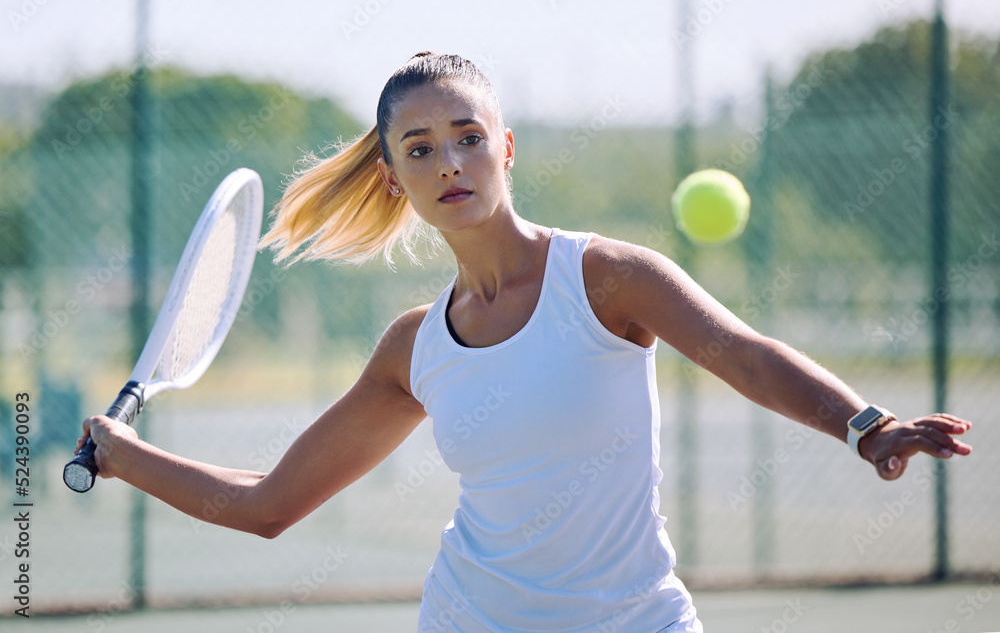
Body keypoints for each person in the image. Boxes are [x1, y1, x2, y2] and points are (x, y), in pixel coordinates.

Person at [78, 52, 973, 633]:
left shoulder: (608, 278)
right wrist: (126, 457)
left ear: (506, 147)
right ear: (394, 178)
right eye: (420, 149)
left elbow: (741, 351)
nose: (451, 164)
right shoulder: (412, 348)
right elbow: (271, 503)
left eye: (468, 138)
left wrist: (864, 424)